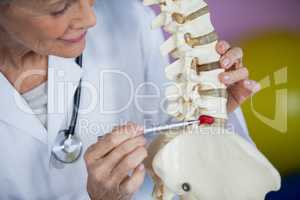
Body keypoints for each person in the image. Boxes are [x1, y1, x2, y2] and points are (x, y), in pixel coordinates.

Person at [0, 0, 261, 199]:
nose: (90, 18)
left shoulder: (127, 18)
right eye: (58, 8)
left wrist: (212, 113)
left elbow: (173, 147)